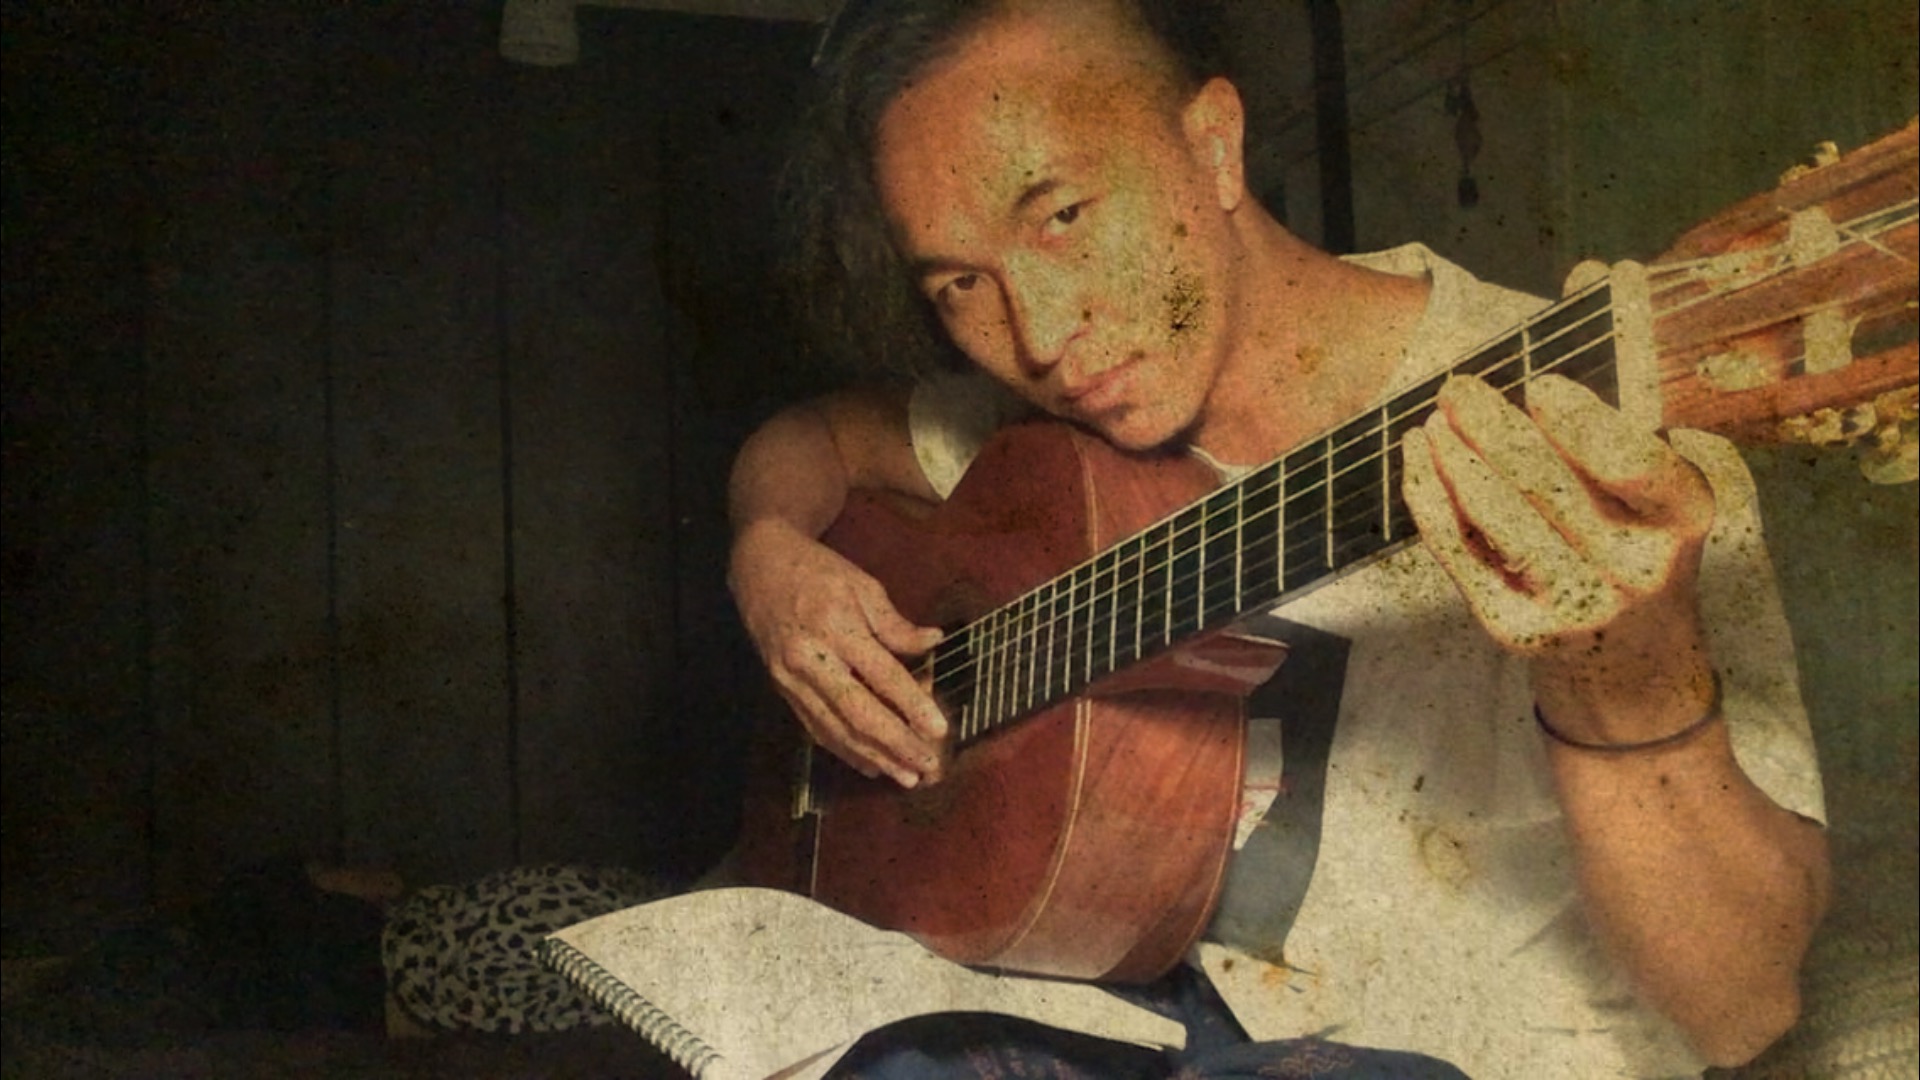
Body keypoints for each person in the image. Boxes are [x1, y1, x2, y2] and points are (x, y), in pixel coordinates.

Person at [725, 1, 1831, 1076]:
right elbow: (815, 439)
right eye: (962, 282)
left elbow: (1742, 1010)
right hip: (1145, 1015)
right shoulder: (1047, 439)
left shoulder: (1604, 428)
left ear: (1213, 145)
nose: (1042, 336)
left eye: (1062, 217)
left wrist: (1629, 684)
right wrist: (768, 554)